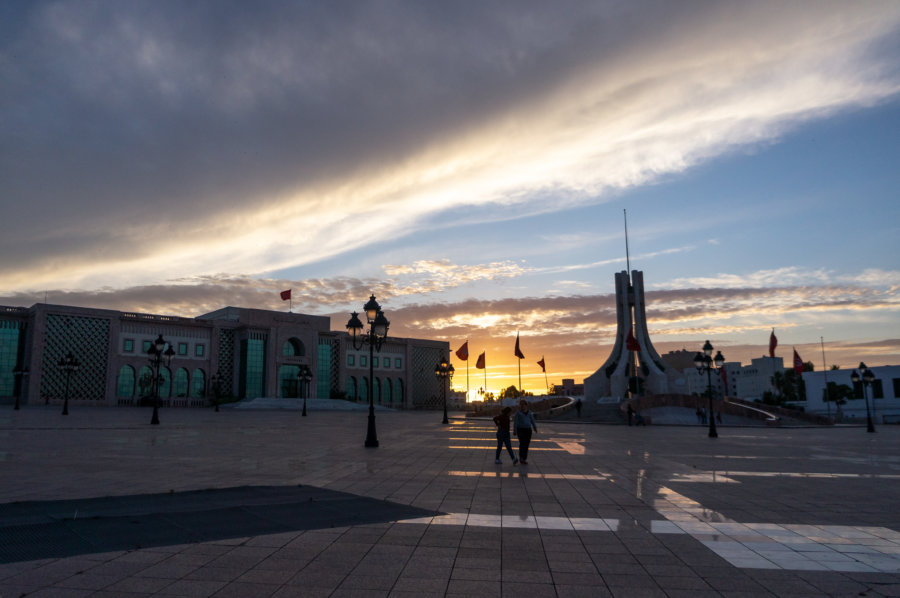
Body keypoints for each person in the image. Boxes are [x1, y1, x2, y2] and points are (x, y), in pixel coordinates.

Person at [513, 399, 538, 465]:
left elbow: (532, 421)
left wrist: (535, 428)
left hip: (528, 430)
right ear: (520, 406)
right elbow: (515, 422)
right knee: (522, 443)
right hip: (520, 430)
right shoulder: (518, 413)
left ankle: (524, 458)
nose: (523, 406)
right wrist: (514, 430)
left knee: (526, 444)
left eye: (524, 405)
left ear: (526, 406)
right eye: (521, 405)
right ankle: (521, 457)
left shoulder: (529, 412)